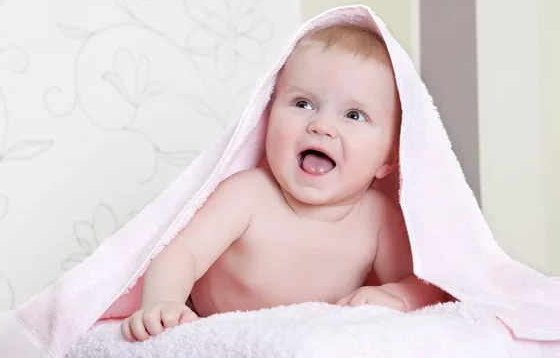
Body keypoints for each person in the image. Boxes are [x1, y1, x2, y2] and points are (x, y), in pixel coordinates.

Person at [121, 24, 447, 342]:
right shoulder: (248, 194)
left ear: (387, 160)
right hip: (223, 331)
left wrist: (398, 296)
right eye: (303, 104)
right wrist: (164, 303)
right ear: (266, 117)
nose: (322, 126)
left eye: (354, 115)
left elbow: (428, 285)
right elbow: (182, 254)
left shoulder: (377, 218)